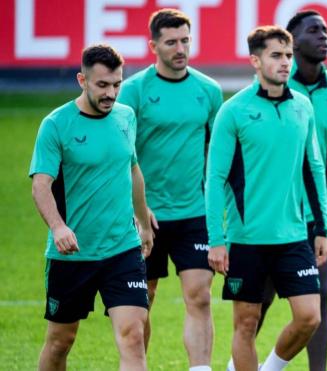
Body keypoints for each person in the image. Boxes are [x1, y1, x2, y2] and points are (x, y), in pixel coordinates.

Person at [205, 25, 327, 371]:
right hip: (246, 240)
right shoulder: (234, 111)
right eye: (276, 56)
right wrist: (216, 240)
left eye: (288, 55)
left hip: (294, 237)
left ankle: (271, 367)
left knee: (309, 317)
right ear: (255, 61)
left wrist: (323, 228)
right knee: (246, 324)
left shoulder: (302, 106)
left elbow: (314, 169)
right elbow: (214, 180)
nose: (285, 62)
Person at [29, 44, 154, 371]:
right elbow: (40, 184)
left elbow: (133, 168)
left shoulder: (126, 116)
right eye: (102, 85)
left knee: (133, 334)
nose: (111, 93)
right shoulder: (56, 124)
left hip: (122, 248)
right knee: (60, 341)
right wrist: (58, 226)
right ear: (82, 80)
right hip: (73, 254)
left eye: (117, 84)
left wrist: (143, 220)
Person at [117, 9, 223, 370]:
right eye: (171, 42)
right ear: (153, 46)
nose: (180, 48)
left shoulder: (209, 91)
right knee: (143, 299)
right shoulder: (133, 91)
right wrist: (135, 207)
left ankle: (200, 368)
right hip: (145, 215)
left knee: (200, 296)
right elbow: (120, 156)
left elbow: (217, 154)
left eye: (185, 40)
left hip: (194, 213)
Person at [247, 9, 327, 371]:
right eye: (314, 30)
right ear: (292, 41)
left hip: (318, 216)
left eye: (325, 30)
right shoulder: (275, 89)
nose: (324, 36)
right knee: (262, 298)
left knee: (318, 297)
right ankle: (239, 364)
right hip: (275, 213)